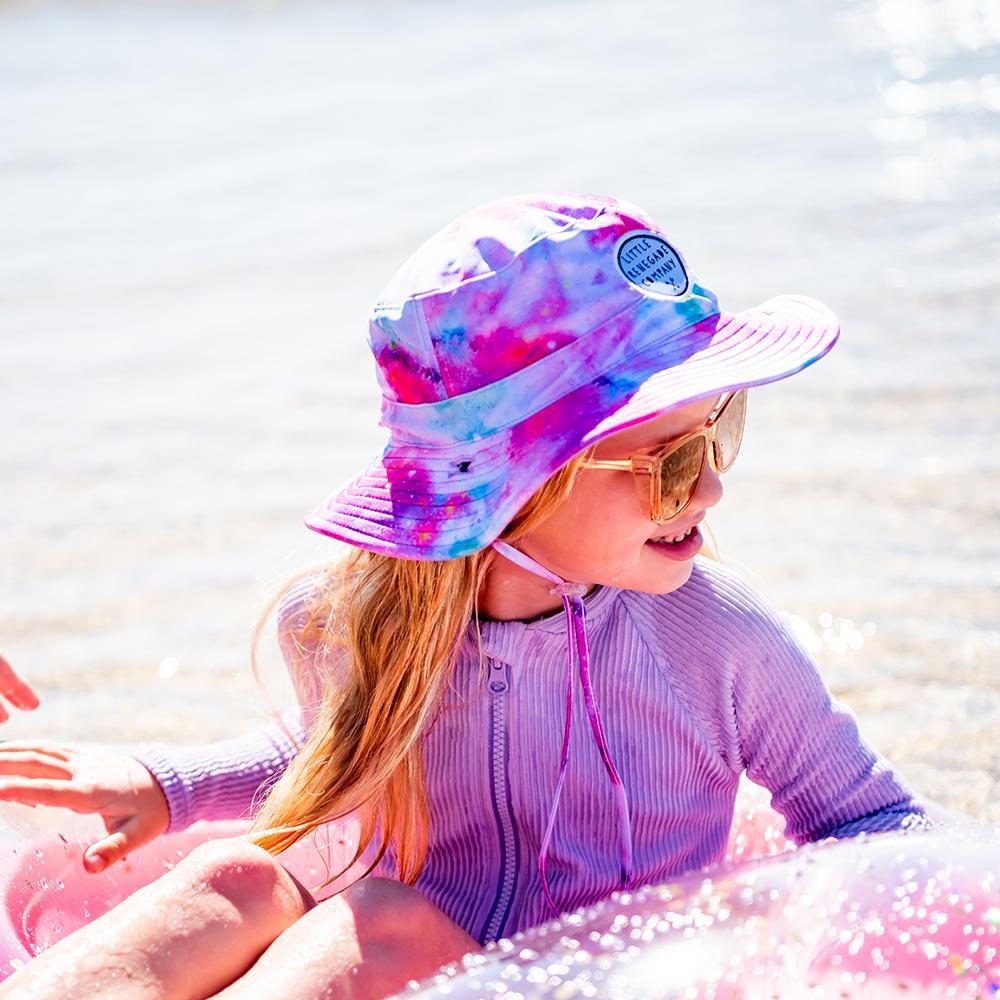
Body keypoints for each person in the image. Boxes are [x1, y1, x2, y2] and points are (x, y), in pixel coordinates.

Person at [0, 193, 934, 999]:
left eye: (720, 434)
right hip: (437, 964)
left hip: (605, 981)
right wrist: (171, 787)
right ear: (516, 484)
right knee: (240, 875)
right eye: (671, 463)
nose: (712, 490)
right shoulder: (359, 624)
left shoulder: (713, 636)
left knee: (367, 925)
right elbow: (335, 749)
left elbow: (869, 823)